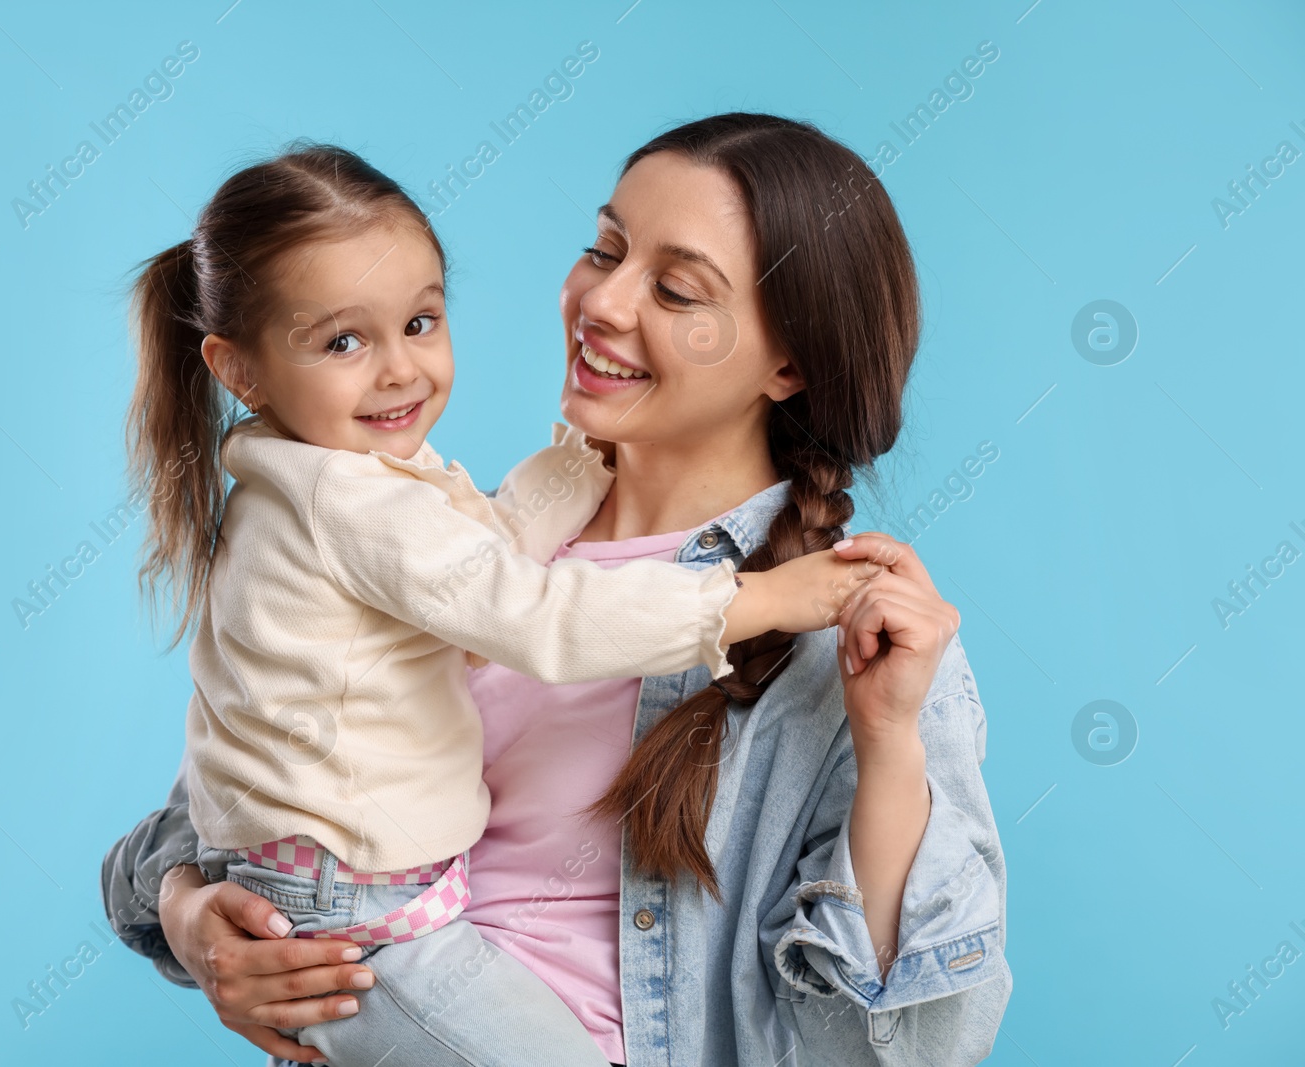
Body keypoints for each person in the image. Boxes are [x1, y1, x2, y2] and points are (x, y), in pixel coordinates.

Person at [103, 114, 1011, 1066]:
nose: (604, 301)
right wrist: (194, 914)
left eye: (674, 288)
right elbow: (229, 795)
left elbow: (915, 1049)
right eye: (604, 248)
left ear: (787, 363)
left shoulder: (850, 640)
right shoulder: (456, 547)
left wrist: (891, 747)